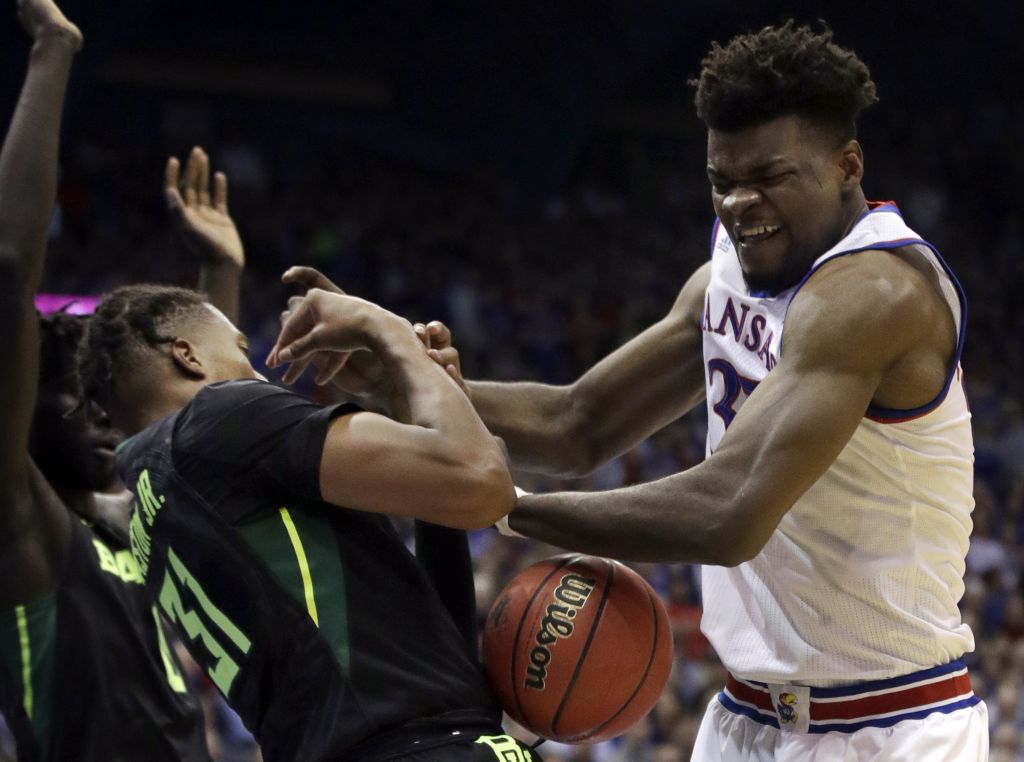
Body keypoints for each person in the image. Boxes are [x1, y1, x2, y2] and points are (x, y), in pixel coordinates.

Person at [403, 21, 985, 760]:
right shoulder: (729, 271)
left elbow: (728, 511)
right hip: (743, 716)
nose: (740, 202)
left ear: (847, 165)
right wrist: (409, 380)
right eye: (722, 181)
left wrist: (508, 511)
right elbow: (580, 422)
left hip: (891, 726)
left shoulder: (875, 293)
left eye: (768, 177)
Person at [74, 279, 538, 761]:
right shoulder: (218, 418)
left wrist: (424, 399)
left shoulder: (152, 511)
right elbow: (483, 483)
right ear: (188, 357)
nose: (257, 375)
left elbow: (437, 649)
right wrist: (384, 327)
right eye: (241, 352)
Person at [0, 1, 214, 759]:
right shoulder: (24, 526)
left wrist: (220, 272)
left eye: (107, 399)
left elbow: (209, 427)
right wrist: (53, 51)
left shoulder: (125, 520)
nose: (101, 416)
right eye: (76, 397)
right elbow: (10, 268)